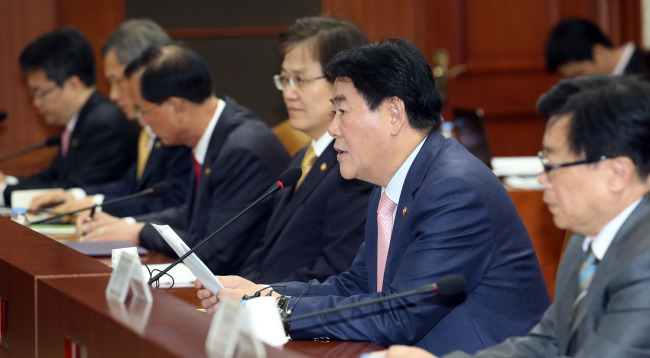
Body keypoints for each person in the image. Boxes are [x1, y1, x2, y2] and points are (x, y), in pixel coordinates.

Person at [197, 39, 549, 356]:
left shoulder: (453, 190)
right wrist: (260, 291)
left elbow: (401, 315)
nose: (333, 127)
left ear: (394, 114)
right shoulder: (393, 180)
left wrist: (278, 307)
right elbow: (359, 284)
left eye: (342, 111)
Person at [378, 74, 650, 357]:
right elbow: (546, 343)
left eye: (554, 164)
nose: (544, 179)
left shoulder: (644, 264)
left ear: (618, 174)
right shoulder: (586, 241)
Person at [77, 44, 290, 275]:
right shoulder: (218, 134)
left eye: (144, 111)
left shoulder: (242, 150)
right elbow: (191, 214)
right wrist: (127, 224)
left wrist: (138, 232)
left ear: (176, 107)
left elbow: (213, 252)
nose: (142, 121)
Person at [237, 16, 373, 283]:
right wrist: (240, 287)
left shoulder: (356, 167)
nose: (288, 93)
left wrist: (258, 295)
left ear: (344, 83)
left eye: (300, 79)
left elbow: (335, 271)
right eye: (285, 80)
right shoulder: (303, 157)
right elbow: (266, 249)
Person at [29, 19, 192, 217]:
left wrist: (96, 204)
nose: (113, 95)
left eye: (117, 81)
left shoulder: (181, 130)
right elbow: (131, 187)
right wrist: (76, 196)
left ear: (145, 72)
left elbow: (170, 204)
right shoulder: (150, 131)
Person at [0, 28, 138, 206]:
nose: (36, 103)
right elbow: (52, 177)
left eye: (40, 93)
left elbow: (71, 190)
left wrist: (4, 192)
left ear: (73, 85)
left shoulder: (104, 122)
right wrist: (8, 183)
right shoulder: (82, 120)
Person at [545, 17, 648, 78]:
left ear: (598, 52)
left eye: (580, 73)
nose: (578, 83)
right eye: (570, 78)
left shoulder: (645, 70)